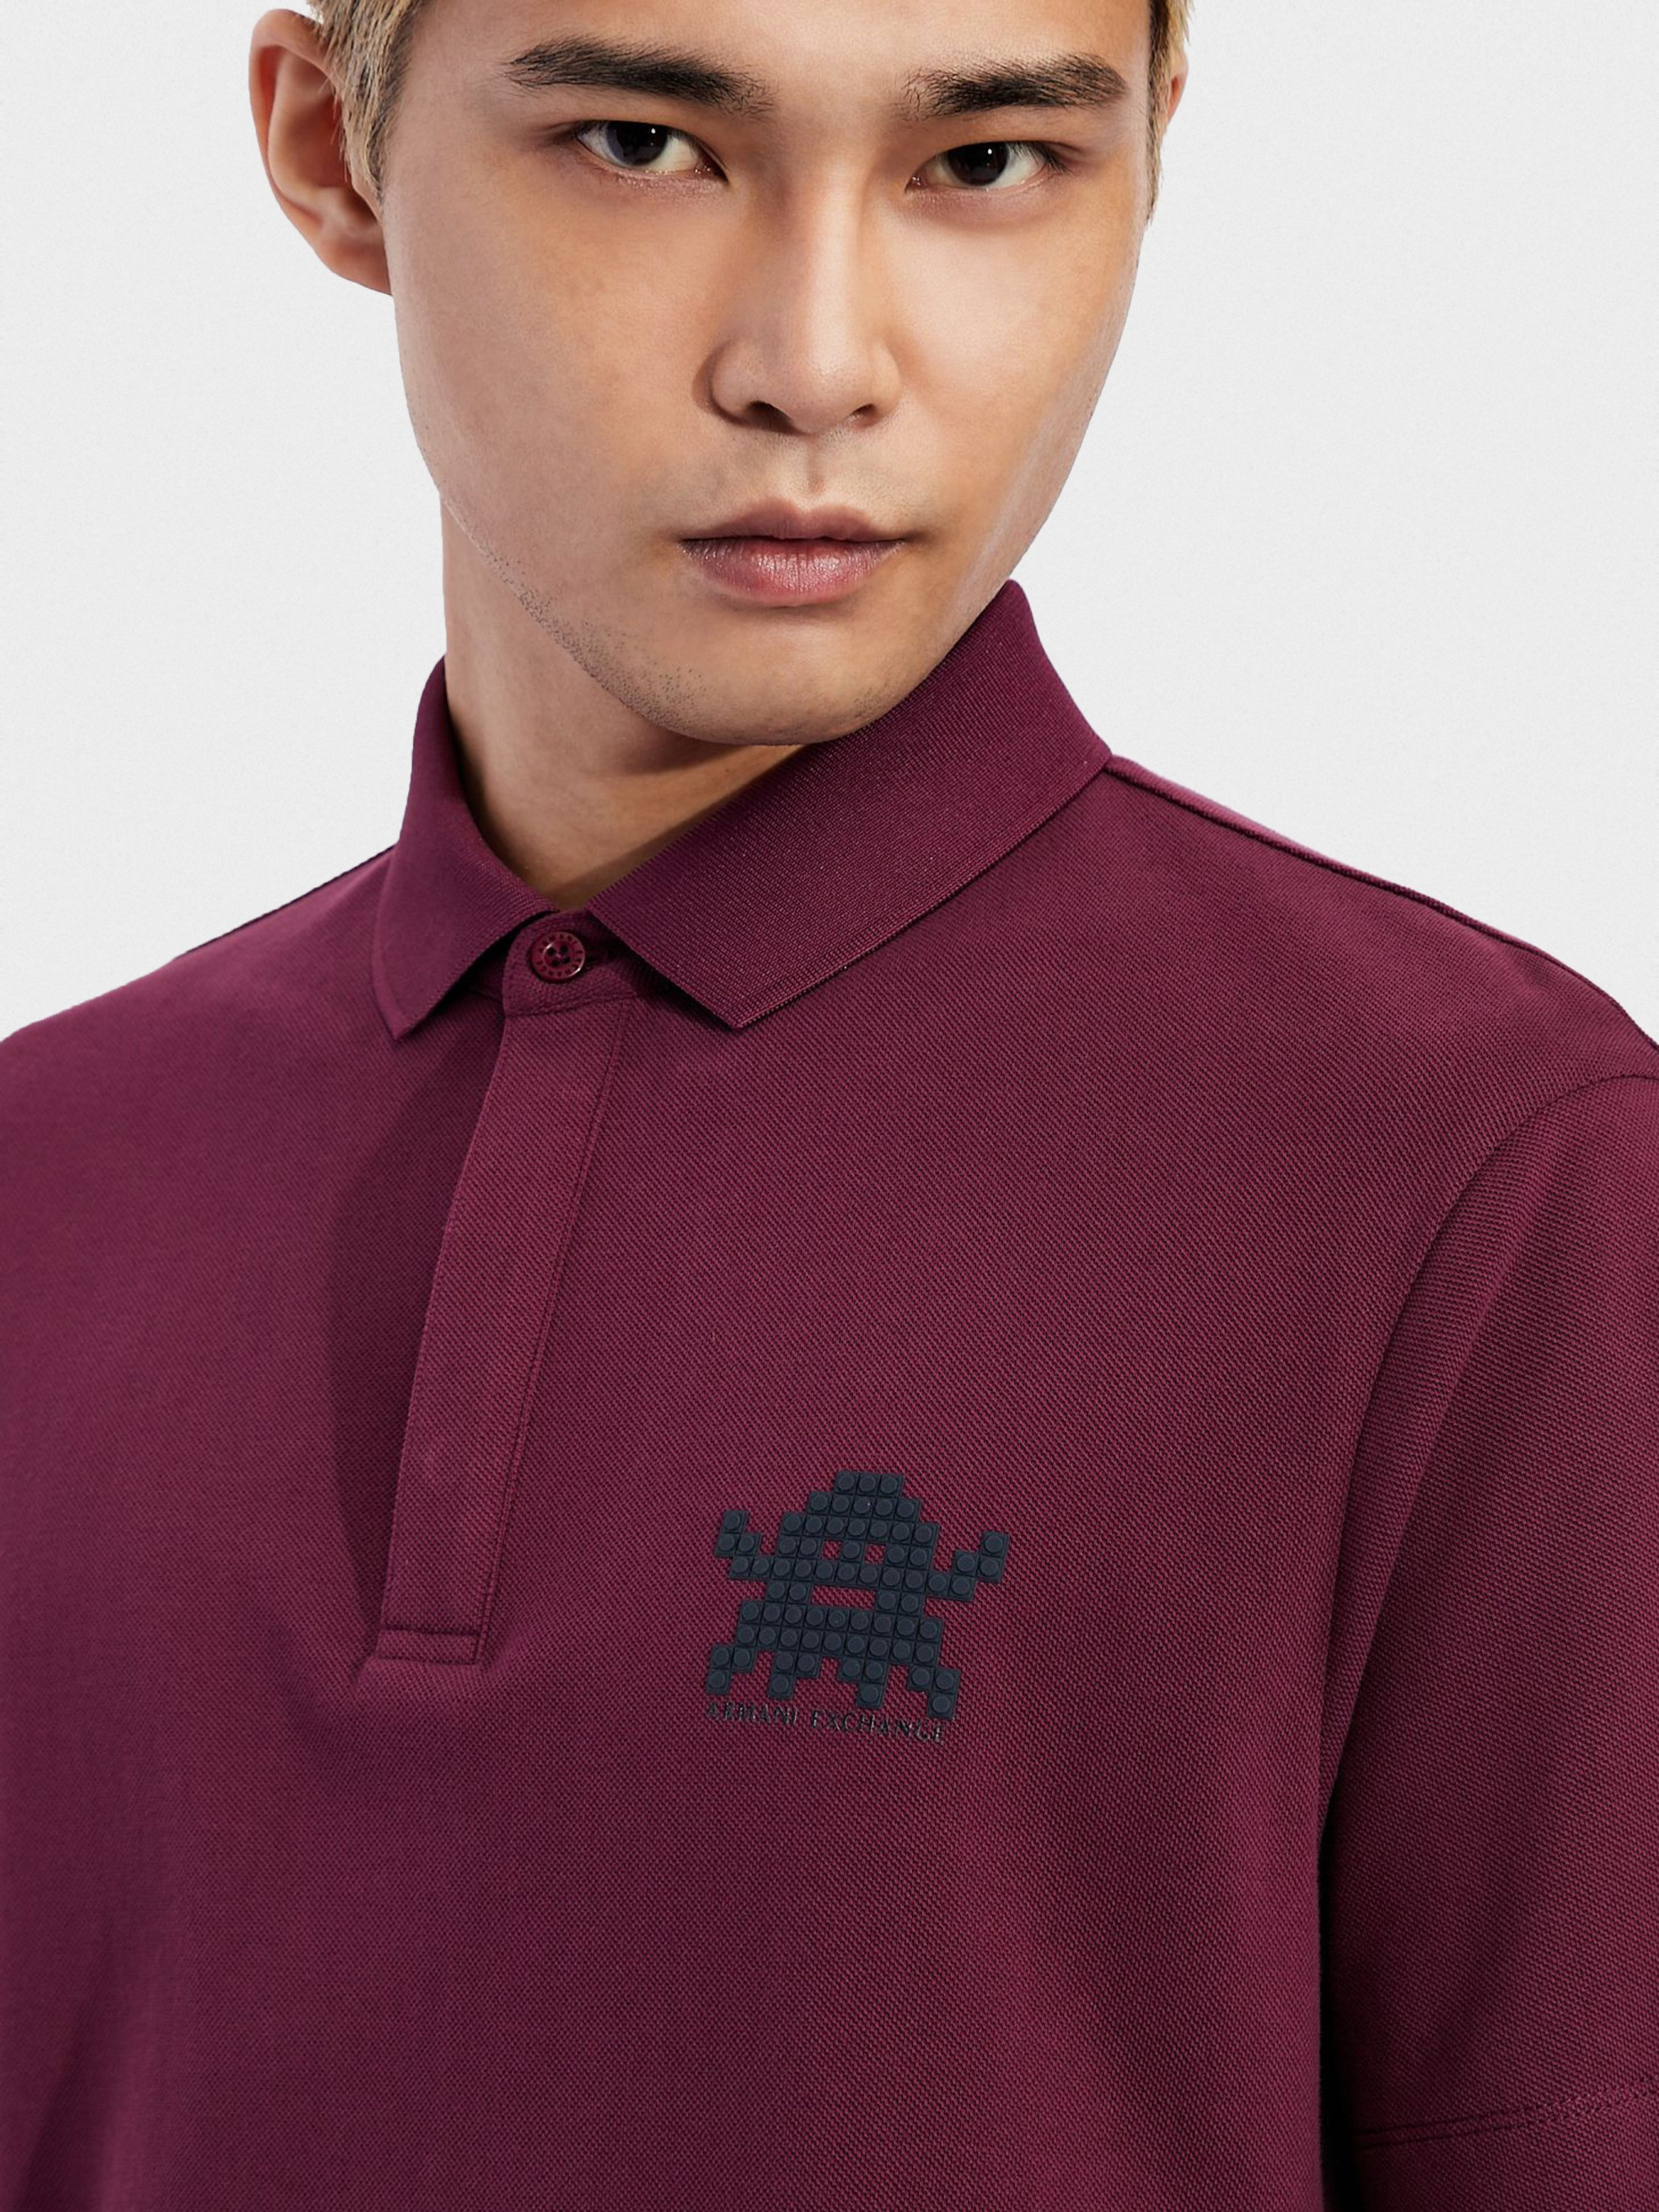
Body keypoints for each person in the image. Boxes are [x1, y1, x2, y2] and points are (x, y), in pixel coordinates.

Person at [2, 0, 1654, 2204]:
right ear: (329, 149)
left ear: (1149, 158)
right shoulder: (42, 1174)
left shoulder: (1487, 1167)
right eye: (639, 143)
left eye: (981, 163)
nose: (815, 361)